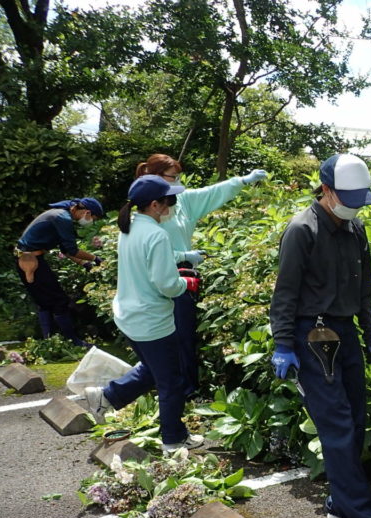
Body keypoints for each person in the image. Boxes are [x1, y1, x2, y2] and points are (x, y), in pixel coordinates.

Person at [269, 153, 371, 518]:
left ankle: (339, 500)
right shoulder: (302, 230)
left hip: (346, 331)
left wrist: (369, 332)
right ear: (327, 190)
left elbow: (364, 287)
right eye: (347, 197)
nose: (353, 206)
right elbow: (285, 292)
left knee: (354, 422)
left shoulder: (356, 228)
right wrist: (283, 344)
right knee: (335, 426)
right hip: (311, 336)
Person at [83, 175, 204, 454]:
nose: (172, 206)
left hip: (128, 315)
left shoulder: (131, 227)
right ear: (155, 205)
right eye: (169, 201)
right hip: (152, 322)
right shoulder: (157, 234)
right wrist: (187, 282)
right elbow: (167, 285)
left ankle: (106, 397)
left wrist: (184, 255)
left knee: (152, 369)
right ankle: (174, 440)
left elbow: (146, 258)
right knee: (171, 381)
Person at [135, 154, 268, 398]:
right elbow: (147, 250)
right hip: (162, 275)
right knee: (167, 336)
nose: (177, 182)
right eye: (173, 177)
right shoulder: (147, 209)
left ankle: (184, 388)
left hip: (184, 273)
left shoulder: (181, 201)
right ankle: (173, 389)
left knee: (184, 333)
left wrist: (243, 180)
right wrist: (180, 254)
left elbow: (211, 192)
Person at [14, 197, 106, 346]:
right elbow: (72, 250)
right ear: (87, 212)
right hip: (30, 261)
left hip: (29, 259)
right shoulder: (62, 218)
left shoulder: (59, 214)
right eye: (93, 218)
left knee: (44, 302)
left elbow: (65, 249)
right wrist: (96, 258)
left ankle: (49, 342)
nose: (91, 222)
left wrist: (85, 263)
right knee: (59, 301)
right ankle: (73, 341)